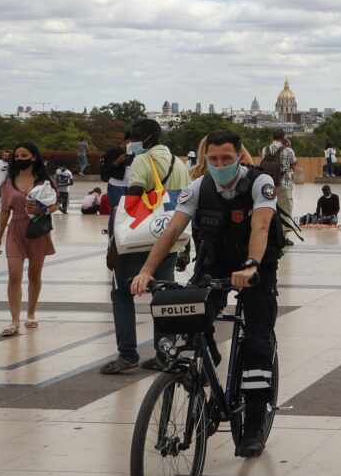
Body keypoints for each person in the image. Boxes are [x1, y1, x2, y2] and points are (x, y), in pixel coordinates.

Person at [130, 130, 281, 457]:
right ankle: (204, 368)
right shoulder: (198, 187)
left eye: (226, 158)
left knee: (256, 340)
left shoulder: (259, 183)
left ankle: (254, 420)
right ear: (205, 159)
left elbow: (262, 226)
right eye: (213, 159)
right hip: (213, 266)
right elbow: (172, 230)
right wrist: (146, 271)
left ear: (240, 156)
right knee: (189, 318)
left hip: (255, 269)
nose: (219, 164)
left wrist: (253, 265)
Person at [101, 120, 189, 374]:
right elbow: (185, 205)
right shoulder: (180, 163)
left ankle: (127, 354)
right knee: (162, 297)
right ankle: (165, 354)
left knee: (122, 294)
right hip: (170, 239)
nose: (131, 143)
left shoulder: (142, 161)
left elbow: (132, 202)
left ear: (148, 138)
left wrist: (115, 243)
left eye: (135, 137)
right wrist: (186, 246)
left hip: (140, 239)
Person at [0, 142, 57, 336]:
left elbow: (55, 205)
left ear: (34, 157)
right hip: (16, 231)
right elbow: (4, 212)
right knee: (14, 275)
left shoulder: (44, 181)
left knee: (34, 275)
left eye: (24, 155)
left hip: (37, 231)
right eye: (17, 156)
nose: (19, 159)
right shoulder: (8, 181)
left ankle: (31, 313)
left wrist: (43, 209)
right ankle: (14, 321)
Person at [261, 131, 299, 220]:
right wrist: (289, 146)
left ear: (272, 138)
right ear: (283, 138)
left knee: (270, 206)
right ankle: (285, 229)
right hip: (284, 182)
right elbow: (293, 164)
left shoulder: (265, 149)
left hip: (268, 182)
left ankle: (273, 227)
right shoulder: (288, 150)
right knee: (285, 207)